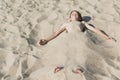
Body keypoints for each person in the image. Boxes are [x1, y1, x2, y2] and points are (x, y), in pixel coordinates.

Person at [39, 10, 113, 73]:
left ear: (79, 17)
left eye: (76, 14)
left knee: (79, 53)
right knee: (66, 52)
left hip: (81, 38)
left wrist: (106, 36)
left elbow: (94, 29)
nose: (74, 14)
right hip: (68, 39)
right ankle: (61, 65)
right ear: (70, 18)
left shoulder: (82, 23)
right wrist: (46, 40)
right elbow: (56, 33)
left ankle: (78, 67)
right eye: (72, 14)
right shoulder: (66, 24)